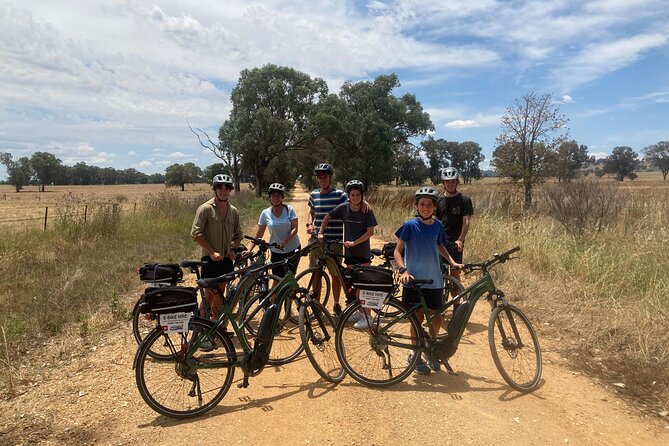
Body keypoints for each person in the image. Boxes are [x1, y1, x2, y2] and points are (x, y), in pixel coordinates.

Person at [393, 186, 463, 375]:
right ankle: (413, 354)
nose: (425, 208)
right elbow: (397, 251)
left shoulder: (438, 226)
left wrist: (452, 262)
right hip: (414, 280)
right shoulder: (409, 226)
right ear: (416, 206)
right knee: (417, 320)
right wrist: (403, 269)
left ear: (434, 208)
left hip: (434, 280)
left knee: (437, 318)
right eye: (422, 204)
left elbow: (440, 245)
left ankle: (427, 350)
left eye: (429, 205)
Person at [318, 180, 377, 328]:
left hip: (362, 252)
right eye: (353, 195)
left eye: (358, 195)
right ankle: (360, 312)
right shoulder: (344, 208)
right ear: (348, 196)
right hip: (349, 253)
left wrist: (355, 242)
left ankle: (368, 317)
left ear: (362, 195)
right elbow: (328, 216)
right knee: (354, 284)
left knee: (363, 286)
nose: (356, 197)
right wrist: (320, 231)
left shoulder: (367, 210)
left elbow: (370, 232)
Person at [190, 174, 243, 321]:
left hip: (225, 260)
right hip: (210, 259)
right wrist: (212, 252)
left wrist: (233, 249)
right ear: (215, 189)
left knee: (221, 291)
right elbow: (195, 234)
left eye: (227, 189)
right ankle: (201, 325)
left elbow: (239, 234)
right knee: (209, 294)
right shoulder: (205, 209)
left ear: (230, 190)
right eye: (220, 188)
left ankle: (214, 324)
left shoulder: (233, 211)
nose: (223, 191)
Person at [306, 163, 348, 317]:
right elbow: (312, 212)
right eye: (320, 177)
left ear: (330, 178)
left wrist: (364, 203)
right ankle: (316, 306)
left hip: (335, 241)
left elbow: (351, 207)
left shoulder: (340, 195)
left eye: (325, 177)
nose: (322, 179)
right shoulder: (314, 194)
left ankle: (336, 304)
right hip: (317, 241)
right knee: (315, 273)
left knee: (335, 274)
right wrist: (310, 223)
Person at [248, 183, 301, 285]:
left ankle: (288, 299)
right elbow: (259, 234)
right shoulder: (265, 213)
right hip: (276, 251)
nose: (276, 198)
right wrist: (249, 249)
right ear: (269, 197)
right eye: (273, 195)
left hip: (292, 249)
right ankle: (274, 301)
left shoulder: (289, 210)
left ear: (282, 197)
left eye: (278, 195)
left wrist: (285, 241)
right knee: (276, 280)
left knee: (289, 279)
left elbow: (295, 229)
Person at [436, 167, 473, 286]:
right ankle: (439, 302)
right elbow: (434, 221)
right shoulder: (438, 200)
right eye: (447, 181)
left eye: (453, 181)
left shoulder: (464, 200)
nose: (450, 184)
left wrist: (461, 239)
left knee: (455, 274)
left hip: (455, 242)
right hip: (440, 242)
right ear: (443, 183)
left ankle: (457, 304)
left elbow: (466, 221)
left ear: (457, 182)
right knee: (438, 273)